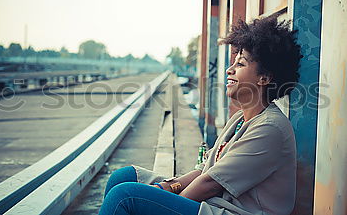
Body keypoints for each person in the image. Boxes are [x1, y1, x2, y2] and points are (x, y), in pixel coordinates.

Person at [98, 16, 302, 215]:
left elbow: (210, 183)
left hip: (231, 210)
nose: (229, 70)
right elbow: (206, 169)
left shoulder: (270, 128)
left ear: (265, 78)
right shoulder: (240, 119)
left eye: (240, 64)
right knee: (123, 176)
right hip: (217, 201)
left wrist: (165, 204)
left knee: (124, 197)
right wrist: (167, 188)